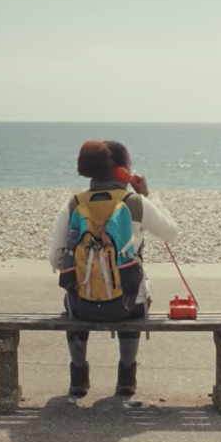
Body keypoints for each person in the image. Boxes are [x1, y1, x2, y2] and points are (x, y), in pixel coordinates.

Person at [50, 139, 179, 398]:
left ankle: (78, 376)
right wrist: (148, 195)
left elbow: (55, 259)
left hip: (82, 306)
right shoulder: (134, 203)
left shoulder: (74, 204)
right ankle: (126, 378)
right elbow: (171, 233)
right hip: (126, 306)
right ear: (121, 170)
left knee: (73, 291)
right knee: (137, 286)